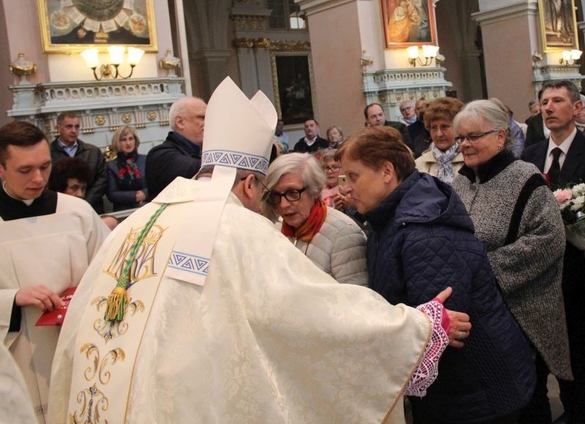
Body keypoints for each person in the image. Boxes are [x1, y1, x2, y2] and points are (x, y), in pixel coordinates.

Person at [50, 78, 465, 423]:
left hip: (110, 392)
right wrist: (417, 326)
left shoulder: (141, 218)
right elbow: (312, 308)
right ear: (250, 183)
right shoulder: (236, 227)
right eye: (264, 191)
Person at [336, 125, 536, 423]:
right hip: (453, 391)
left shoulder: (424, 232)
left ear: (387, 171)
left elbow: (444, 327)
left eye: (353, 176)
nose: (346, 188)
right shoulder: (390, 217)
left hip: (476, 390)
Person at [451, 100, 571, 423]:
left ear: (501, 137)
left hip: (524, 308)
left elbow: (548, 240)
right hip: (479, 310)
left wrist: (485, 271)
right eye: (461, 138)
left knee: (530, 397)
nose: (465, 144)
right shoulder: (460, 181)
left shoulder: (524, 178)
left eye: (474, 136)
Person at [521, 81, 585, 424]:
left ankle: (580, 415)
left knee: (579, 355)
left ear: (576, 108)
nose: (548, 107)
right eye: (543, 102)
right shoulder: (530, 156)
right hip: (538, 275)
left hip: (580, 272)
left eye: (557, 101)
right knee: (538, 357)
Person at [0, 121, 109, 423]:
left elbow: (112, 273)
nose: (38, 178)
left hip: (77, 348)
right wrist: (12, 297)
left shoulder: (77, 212)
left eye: (45, 167)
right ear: (1, 168)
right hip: (16, 354)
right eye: (25, 170)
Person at [262, 152, 367, 286]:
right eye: (276, 195)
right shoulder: (277, 229)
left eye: (293, 193)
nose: (283, 204)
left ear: (315, 190)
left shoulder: (344, 235)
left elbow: (356, 299)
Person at [145, 96, 206, 200]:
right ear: (180, 122)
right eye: (201, 117)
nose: (208, 122)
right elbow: (200, 169)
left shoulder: (202, 150)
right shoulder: (160, 155)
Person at [50, 111, 107, 213]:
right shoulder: (48, 153)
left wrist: (85, 201)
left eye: (77, 127)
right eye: (69, 127)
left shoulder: (93, 151)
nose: (73, 131)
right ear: (58, 128)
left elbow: (102, 180)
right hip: (61, 209)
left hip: (92, 208)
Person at [415, 97, 464, 183]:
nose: (439, 134)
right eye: (433, 128)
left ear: (458, 127)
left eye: (444, 127)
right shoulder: (418, 165)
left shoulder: (471, 160)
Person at [106, 126, 147, 211]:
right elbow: (112, 194)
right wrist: (134, 196)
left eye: (131, 139)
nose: (128, 143)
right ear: (117, 142)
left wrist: (145, 193)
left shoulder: (145, 159)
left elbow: (155, 184)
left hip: (146, 206)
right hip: (123, 210)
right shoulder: (111, 166)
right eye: (124, 140)